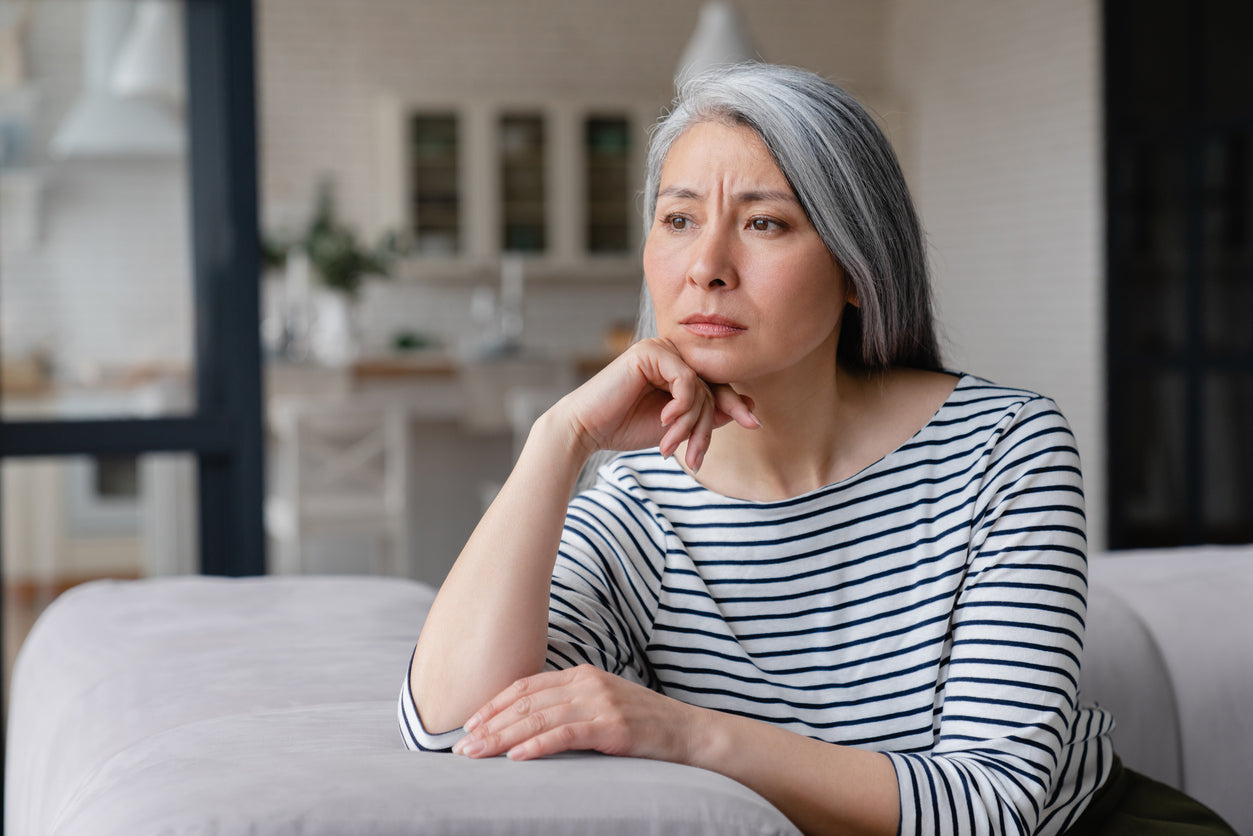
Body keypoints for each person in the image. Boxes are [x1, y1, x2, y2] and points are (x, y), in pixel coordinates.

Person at [399, 63, 1235, 836]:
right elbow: (449, 727)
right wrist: (560, 440)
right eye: (678, 219)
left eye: (764, 222)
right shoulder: (638, 508)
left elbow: (991, 807)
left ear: (856, 268)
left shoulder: (1002, 448)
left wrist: (683, 732)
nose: (707, 267)